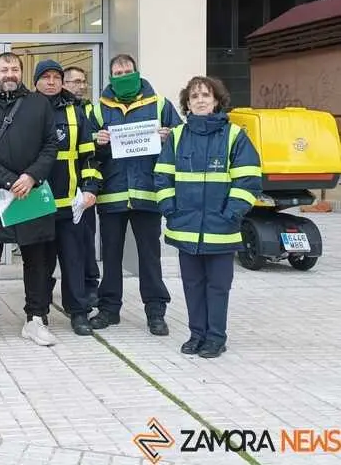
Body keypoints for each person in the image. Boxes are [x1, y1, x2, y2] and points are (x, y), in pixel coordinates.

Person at [154, 76, 260, 358]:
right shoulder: (177, 137)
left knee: (218, 287)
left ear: (216, 101)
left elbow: (248, 181)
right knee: (192, 286)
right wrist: (171, 211)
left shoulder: (235, 135)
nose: (200, 100)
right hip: (185, 229)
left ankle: (215, 337)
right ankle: (196, 334)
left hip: (221, 229)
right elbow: (162, 178)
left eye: (205, 95)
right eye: (194, 96)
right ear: (187, 104)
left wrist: (230, 215)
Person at [0, 52, 58, 348]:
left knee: (35, 258)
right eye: (4, 69)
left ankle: (34, 320)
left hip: (31, 190)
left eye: (15, 69)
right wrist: (7, 179)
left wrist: (30, 177)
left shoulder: (38, 103)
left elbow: (50, 145)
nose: (10, 73)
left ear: (21, 73)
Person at [90, 54, 183, 335]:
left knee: (149, 257)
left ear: (137, 71)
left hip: (147, 194)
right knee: (111, 256)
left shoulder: (160, 104)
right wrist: (96, 141)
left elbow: (182, 138)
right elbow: (85, 148)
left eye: (127, 71)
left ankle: (155, 311)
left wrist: (170, 137)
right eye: (117, 73)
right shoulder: (97, 110)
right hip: (111, 195)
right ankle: (109, 310)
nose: (123, 76)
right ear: (110, 76)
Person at [33, 61, 101, 336]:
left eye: (55, 77)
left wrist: (90, 188)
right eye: (45, 77)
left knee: (74, 260)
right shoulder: (26, 108)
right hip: (37, 201)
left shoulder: (75, 110)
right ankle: (39, 311)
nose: (51, 82)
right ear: (36, 81)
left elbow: (88, 155)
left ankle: (79, 312)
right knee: (40, 262)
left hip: (71, 203)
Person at [63, 65, 100, 307]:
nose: (81, 85)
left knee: (86, 239)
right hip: (60, 188)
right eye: (75, 81)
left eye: (83, 81)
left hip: (85, 187)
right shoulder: (55, 110)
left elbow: (93, 153)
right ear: (63, 84)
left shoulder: (92, 111)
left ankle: (90, 286)